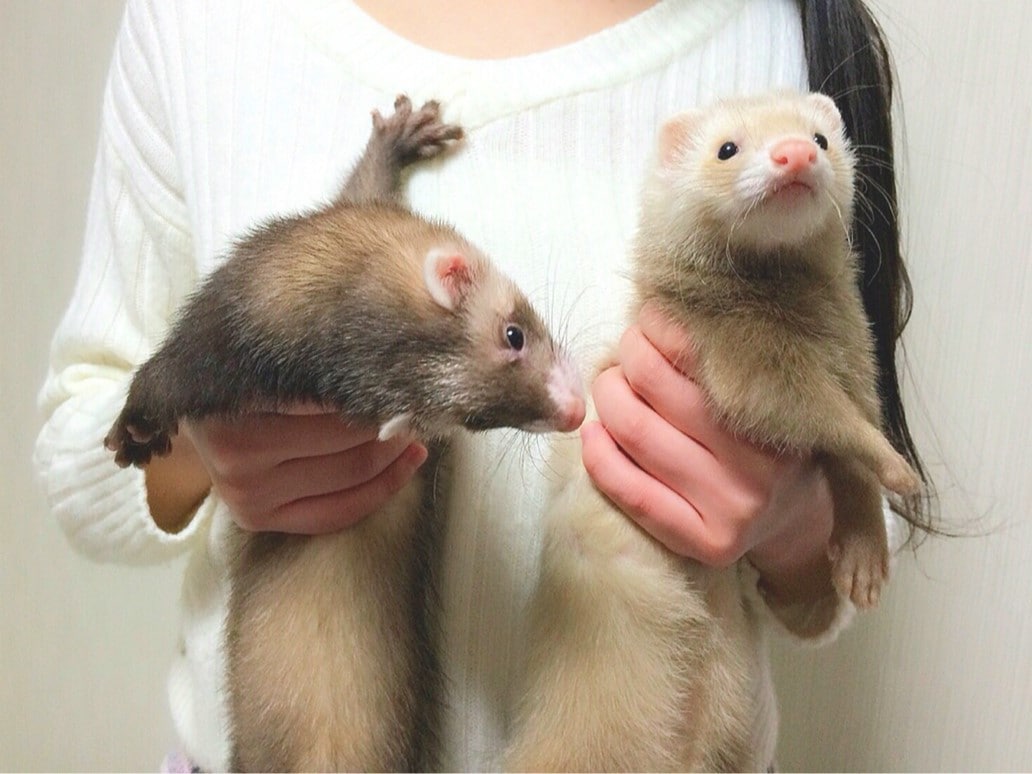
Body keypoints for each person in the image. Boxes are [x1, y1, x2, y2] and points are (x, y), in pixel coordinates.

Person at [34, 0, 931, 769]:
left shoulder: (778, 38)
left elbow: (857, 505)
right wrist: (201, 446)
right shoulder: (198, 24)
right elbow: (82, 448)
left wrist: (797, 515)